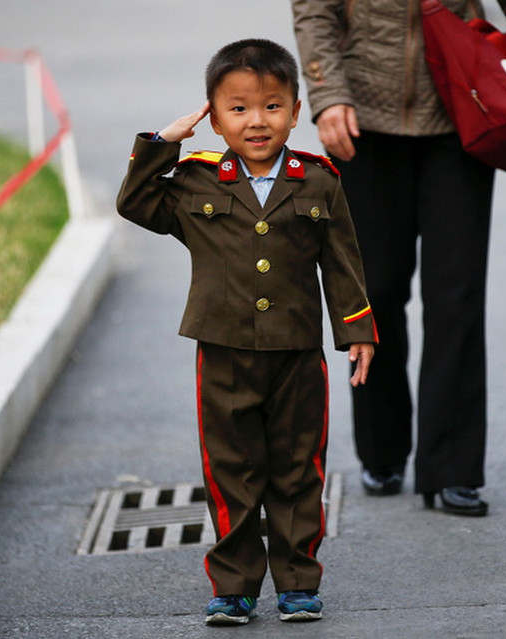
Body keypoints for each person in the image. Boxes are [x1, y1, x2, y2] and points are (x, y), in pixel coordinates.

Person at [291, 0, 506, 516]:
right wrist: (328, 92)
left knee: (456, 293)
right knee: (376, 291)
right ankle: (382, 449)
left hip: (461, 111)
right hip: (364, 119)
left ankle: (452, 465)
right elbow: (315, 12)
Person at [116, 38, 377, 626]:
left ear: (295, 108)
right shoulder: (193, 181)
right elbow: (135, 204)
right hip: (224, 350)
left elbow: (342, 262)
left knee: (297, 469)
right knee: (231, 471)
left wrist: (357, 330)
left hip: (296, 351)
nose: (256, 121)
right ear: (213, 113)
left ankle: (297, 583)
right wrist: (163, 144)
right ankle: (233, 586)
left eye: (271, 106)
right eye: (237, 108)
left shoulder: (318, 180)